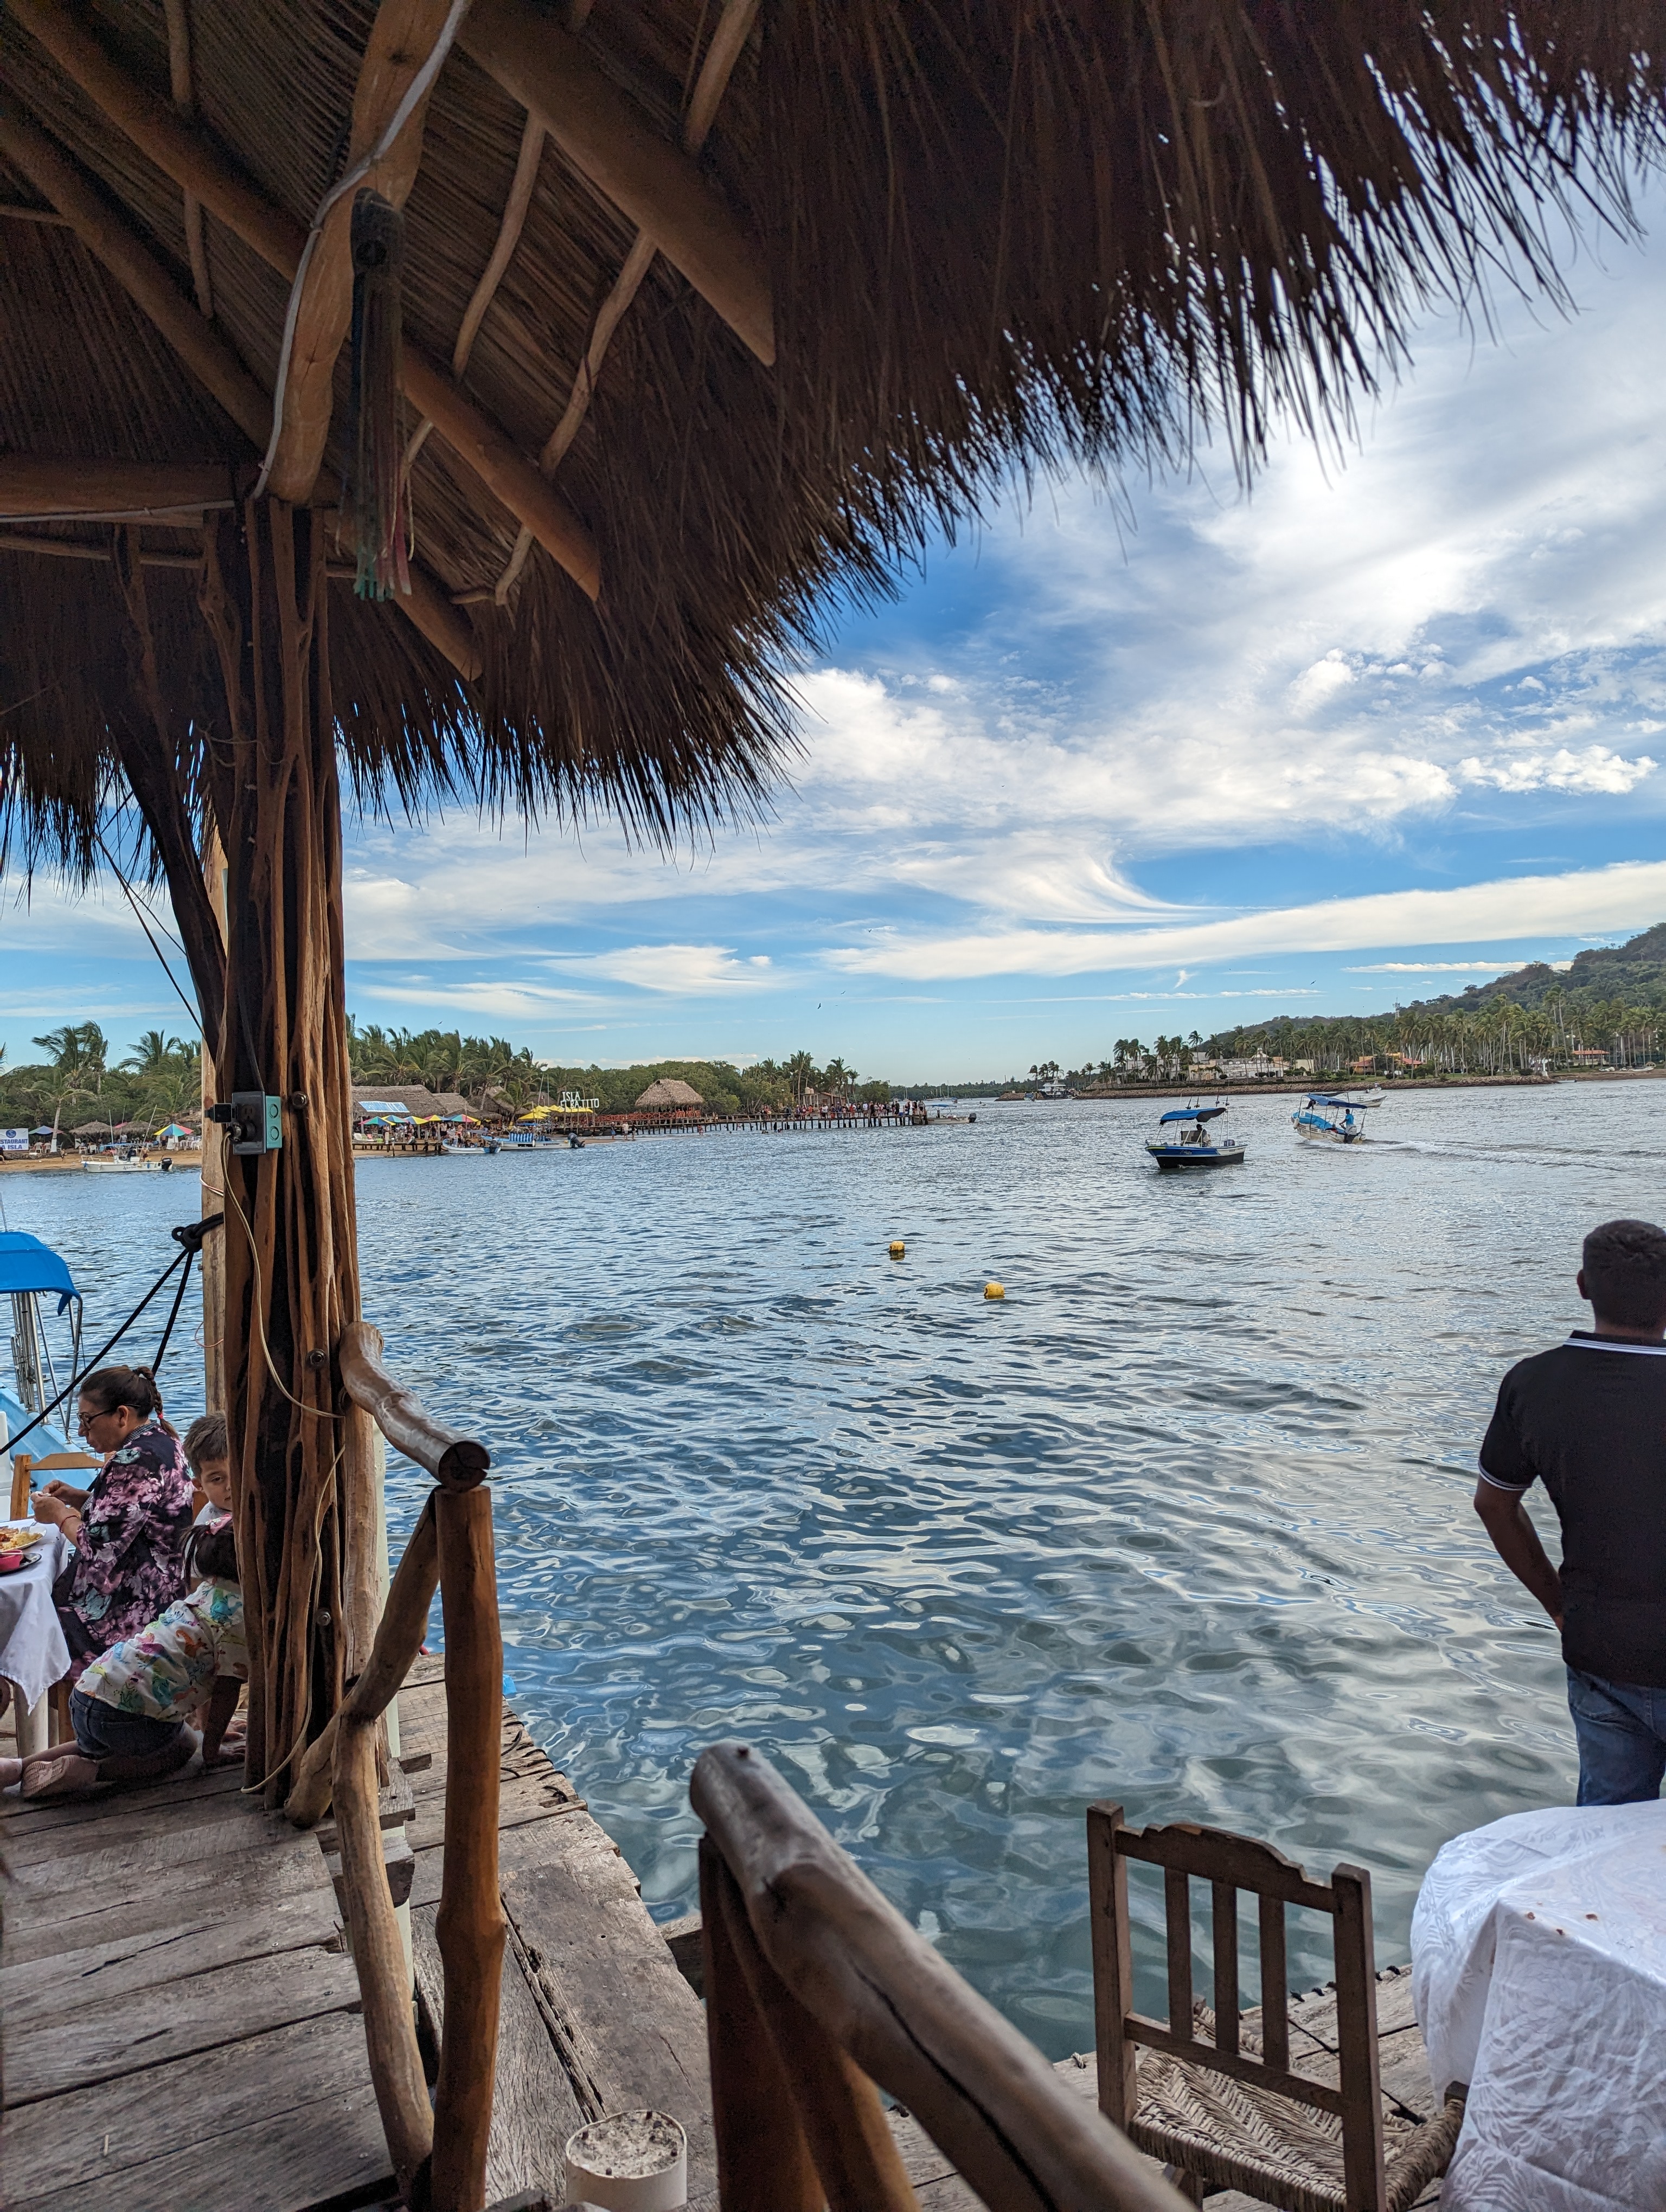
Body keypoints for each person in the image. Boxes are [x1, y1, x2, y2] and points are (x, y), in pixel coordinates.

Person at [1473, 1217, 1666, 1805]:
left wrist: (1558, 1606)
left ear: (1583, 1285)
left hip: (1601, 1646)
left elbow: (1495, 1506)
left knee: (1605, 1832)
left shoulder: (1532, 1383)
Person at [5, 1519, 244, 1798]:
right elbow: (225, 1689)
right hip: (127, 1717)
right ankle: (90, 1772)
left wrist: (214, 1730)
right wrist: (212, 1749)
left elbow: (208, 1679)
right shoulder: (241, 1619)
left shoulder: (205, 1592)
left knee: (94, 1745)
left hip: (89, 1692)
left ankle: (16, 1768)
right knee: (183, 1747)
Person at [31, 1365, 193, 1675]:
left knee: (29, 1623)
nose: (82, 1431)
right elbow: (134, 1517)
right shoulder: (163, 1441)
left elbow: (99, 1550)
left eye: (87, 1420)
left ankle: (61, 1701)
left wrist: (58, 1514)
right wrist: (79, 1499)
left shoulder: (135, 1460)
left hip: (137, 1608)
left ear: (121, 1415)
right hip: (166, 1590)